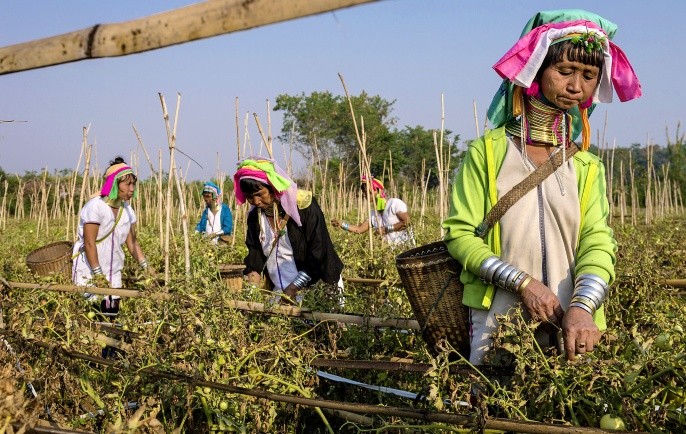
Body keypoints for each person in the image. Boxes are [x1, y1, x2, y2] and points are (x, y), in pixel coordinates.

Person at [442, 9, 641, 365]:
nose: (576, 86)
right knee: (495, 396)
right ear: (535, 69)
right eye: (564, 71)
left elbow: (597, 241)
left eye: (588, 75)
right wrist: (523, 284)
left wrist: (583, 306)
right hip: (499, 320)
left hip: (573, 327)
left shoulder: (586, 166)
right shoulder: (487, 153)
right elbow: (460, 235)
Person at [234, 157, 343, 305]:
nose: (255, 201)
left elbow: (319, 253)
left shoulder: (304, 207)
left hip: (317, 288)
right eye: (249, 197)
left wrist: (292, 289)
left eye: (260, 194)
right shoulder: (255, 217)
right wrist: (251, 293)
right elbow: (255, 259)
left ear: (273, 187)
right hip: (281, 293)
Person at [72, 157, 156, 320]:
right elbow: (89, 244)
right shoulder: (95, 207)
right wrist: (98, 275)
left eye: (133, 184)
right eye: (127, 184)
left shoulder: (127, 210)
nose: (131, 189)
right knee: (92, 317)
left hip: (113, 271)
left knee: (111, 317)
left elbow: (132, 243)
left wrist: (146, 267)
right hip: (90, 271)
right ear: (114, 184)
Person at [331, 176, 415, 248]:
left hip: (404, 248)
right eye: (364, 192)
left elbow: (407, 222)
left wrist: (386, 229)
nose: (364, 195)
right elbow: (359, 229)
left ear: (377, 190)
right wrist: (342, 224)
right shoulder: (373, 214)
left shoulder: (394, 203)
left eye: (367, 192)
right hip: (390, 253)